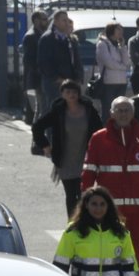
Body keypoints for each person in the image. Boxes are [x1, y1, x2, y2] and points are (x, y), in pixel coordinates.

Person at [80, 95, 139, 274]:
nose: (123, 114)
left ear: (133, 113)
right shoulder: (98, 139)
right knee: (111, 250)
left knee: (137, 250)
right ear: (111, 113)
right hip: (109, 210)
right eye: (119, 110)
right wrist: (87, 201)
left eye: (127, 110)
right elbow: (88, 173)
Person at [31, 79, 103, 218]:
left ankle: (84, 220)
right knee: (71, 194)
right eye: (68, 92)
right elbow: (37, 127)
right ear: (62, 94)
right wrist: (45, 145)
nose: (72, 95)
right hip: (65, 161)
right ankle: (72, 223)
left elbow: (99, 130)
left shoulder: (88, 110)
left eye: (74, 92)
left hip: (85, 159)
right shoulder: (58, 111)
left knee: (84, 193)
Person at [37, 10, 82, 114]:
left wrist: (78, 77)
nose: (67, 23)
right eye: (63, 20)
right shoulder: (47, 39)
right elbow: (43, 63)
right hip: (54, 84)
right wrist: (57, 78)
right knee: (54, 113)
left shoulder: (70, 39)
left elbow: (76, 60)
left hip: (70, 83)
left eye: (67, 20)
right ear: (56, 22)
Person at [93, 21, 132, 120]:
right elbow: (109, 63)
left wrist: (123, 47)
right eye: (118, 29)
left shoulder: (118, 45)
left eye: (121, 30)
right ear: (111, 30)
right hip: (108, 83)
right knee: (108, 110)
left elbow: (127, 62)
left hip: (121, 82)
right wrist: (123, 67)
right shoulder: (102, 44)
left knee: (120, 110)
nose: (120, 32)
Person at [21, 9, 49, 122]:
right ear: (36, 20)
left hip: (43, 77)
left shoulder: (41, 34)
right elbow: (29, 61)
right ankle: (37, 135)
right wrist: (41, 72)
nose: (47, 21)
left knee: (42, 108)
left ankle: (37, 135)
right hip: (39, 78)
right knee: (42, 108)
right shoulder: (31, 36)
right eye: (44, 19)